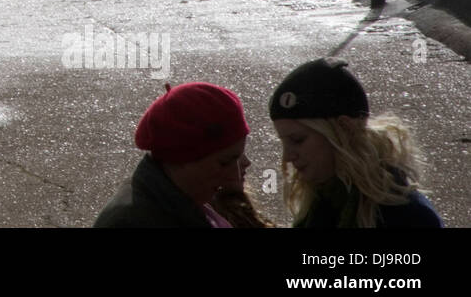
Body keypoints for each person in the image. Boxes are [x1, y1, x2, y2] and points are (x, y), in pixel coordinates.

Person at [269, 58, 443, 228]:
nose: (288, 157)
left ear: (345, 129)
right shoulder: (318, 209)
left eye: (298, 140)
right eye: (284, 143)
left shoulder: (409, 216)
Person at [94, 82, 251, 227]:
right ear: (181, 157)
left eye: (238, 158)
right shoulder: (133, 222)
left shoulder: (186, 199)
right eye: (224, 162)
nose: (235, 176)